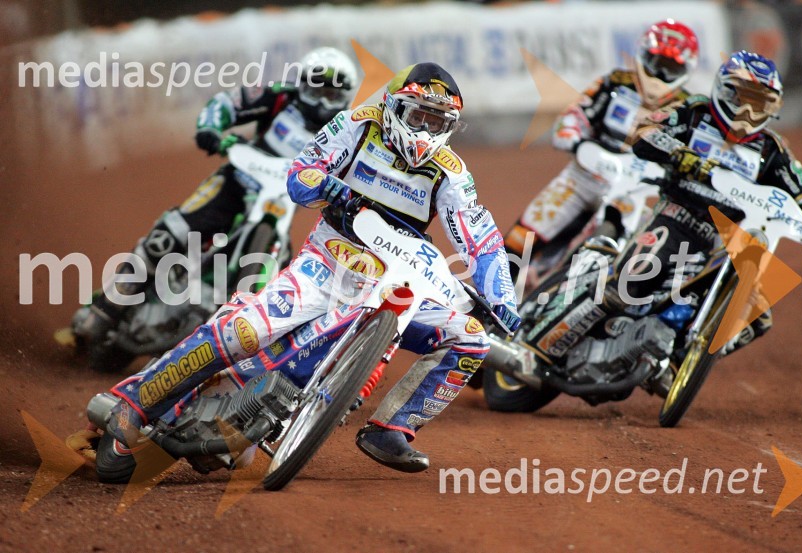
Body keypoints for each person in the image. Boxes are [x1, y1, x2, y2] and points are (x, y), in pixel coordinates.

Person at [103, 62, 521, 473]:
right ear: (394, 107)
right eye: (419, 116)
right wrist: (329, 187)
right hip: (326, 265)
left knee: (471, 340)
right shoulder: (356, 124)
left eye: (438, 121)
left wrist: (502, 300)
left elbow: (480, 240)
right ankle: (136, 403)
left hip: (398, 279)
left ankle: (391, 427)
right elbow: (300, 174)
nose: (427, 131)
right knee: (241, 332)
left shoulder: (451, 173)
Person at [72, 47, 358, 345]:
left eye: (333, 95)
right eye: (317, 91)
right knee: (169, 235)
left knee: (280, 274)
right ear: (301, 85)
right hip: (236, 181)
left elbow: (359, 172)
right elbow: (227, 102)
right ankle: (106, 310)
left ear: (347, 97)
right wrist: (211, 128)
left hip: (281, 206)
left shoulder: (347, 130)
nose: (324, 101)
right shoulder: (279, 97)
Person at [553, 51, 802, 358]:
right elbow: (646, 133)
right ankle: (552, 335)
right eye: (745, 98)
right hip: (676, 216)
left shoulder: (772, 150)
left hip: (725, 242)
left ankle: (677, 361)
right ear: (726, 91)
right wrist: (677, 153)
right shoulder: (695, 111)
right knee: (631, 281)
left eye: (761, 103)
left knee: (755, 317)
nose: (750, 111)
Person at [503, 19, 700, 287]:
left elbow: (691, 157)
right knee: (521, 237)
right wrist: (574, 141)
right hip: (583, 176)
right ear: (642, 56)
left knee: (619, 261)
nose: (660, 76)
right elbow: (573, 116)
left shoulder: (688, 111)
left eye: (671, 69)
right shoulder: (615, 83)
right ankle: (489, 295)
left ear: (685, 70)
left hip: (635, 193)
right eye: (656, 64)